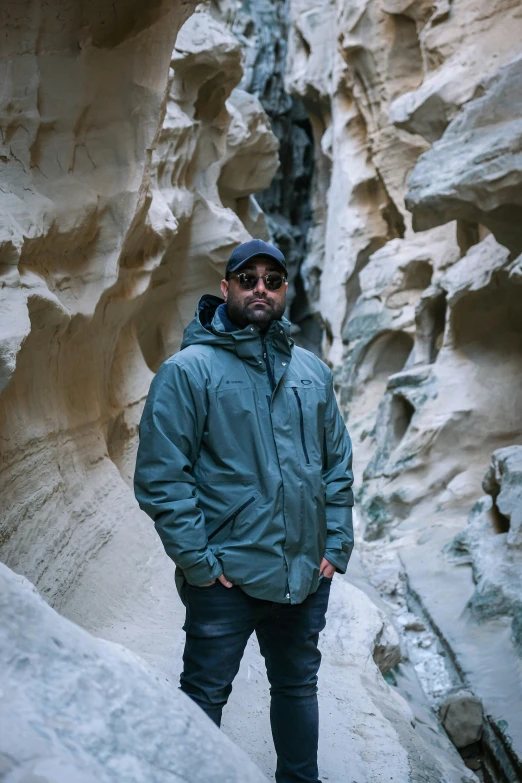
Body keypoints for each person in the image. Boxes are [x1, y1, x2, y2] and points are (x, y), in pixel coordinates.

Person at [134, 238, 354, 783]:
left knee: (298, 687)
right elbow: (162, 477)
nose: (261, 288)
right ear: (226, 287)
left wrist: (335, 546)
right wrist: (200, 565)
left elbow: (337, 467)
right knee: (205, 695)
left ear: (284, 291)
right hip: (225, 579)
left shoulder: (312, 372)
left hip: (304, 574)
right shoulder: (188, 371)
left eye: (273, 280)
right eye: (248, 278)